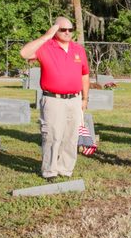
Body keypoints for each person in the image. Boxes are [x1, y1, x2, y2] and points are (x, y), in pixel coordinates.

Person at [19, 17, 90, 182]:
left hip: (74, 99)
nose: (67, 33)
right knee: (52, 136)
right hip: (53, 99)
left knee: (71, 137)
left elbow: (84, 74)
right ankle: (50, 171)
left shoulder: (78, 49)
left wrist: (85, 98)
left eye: (70, 30)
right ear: (55, 30)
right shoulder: (46, 47)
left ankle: (65, 169)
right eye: (62, 29)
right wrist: (46, 36)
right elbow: (24, 53)